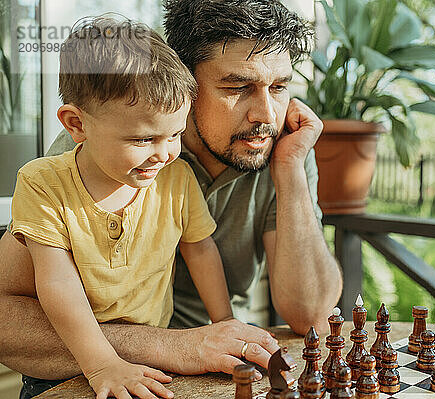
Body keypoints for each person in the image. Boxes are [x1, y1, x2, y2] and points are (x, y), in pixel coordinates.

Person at [0, 0, 342, 397]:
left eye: (280, 87)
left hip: (212, 369)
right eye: (237, 87)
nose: (266, 115)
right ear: (184, 82)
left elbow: (311, 314)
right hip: (97, 374)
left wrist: (291, 171)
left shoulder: (282, 145)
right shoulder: (100, 143)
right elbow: (6, 322)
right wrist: (174, 346)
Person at [10, 16, 236, 399]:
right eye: (144, 138)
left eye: (176, 134)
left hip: (152, 360)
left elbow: (199, 249)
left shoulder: (177, 179)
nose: (164, 153)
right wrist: (101, 364)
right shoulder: (43, 183)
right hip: (67, 368)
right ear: (76, 124)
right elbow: (57, 283)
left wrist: (225, 321)